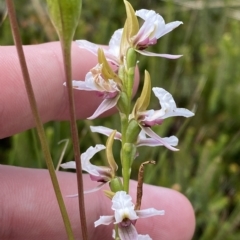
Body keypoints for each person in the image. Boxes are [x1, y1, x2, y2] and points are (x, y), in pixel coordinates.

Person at [0, 42, 195, 239]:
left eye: (126, 219)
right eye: (126, 219)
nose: (126, 222)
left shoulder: (133, 123)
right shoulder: (126, 117)